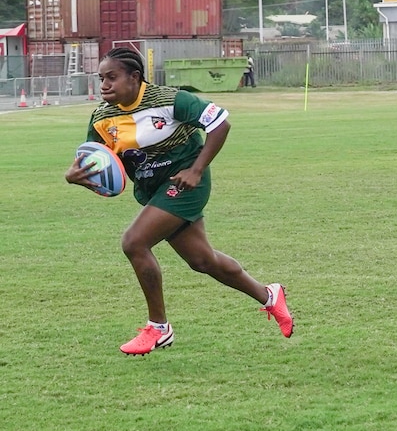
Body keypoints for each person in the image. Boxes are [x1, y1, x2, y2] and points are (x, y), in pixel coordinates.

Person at [64, 48, 293, 355]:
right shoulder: (103, 117)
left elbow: (220, 123)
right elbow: (96, 163)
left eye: (112, 77)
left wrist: (196, 170)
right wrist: (77, 176)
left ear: (135, 78)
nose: (104, 85)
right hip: (152, 191)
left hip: (185, 184)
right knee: (202, 261)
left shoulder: (171, 100)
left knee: (134, 242)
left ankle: (159, 328)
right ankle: (269, 295)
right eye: (101, 78)